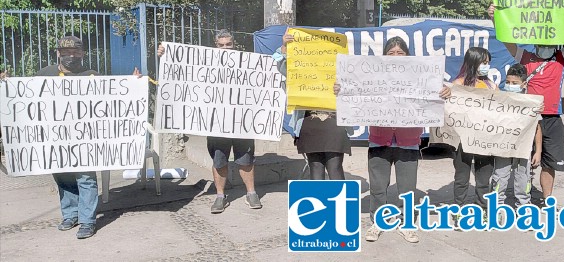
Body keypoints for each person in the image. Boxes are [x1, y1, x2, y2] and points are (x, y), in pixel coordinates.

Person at [338, 37, 451, 244]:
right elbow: (353, 90)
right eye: (391, 53)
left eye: (400, 53)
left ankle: (406, 224)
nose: (396, 57)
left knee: (407, 187)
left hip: (408, 140)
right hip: (379, 139)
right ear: (384, 56)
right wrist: (342, 90)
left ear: (408, 56)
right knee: (378, 186)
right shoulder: (371, 76)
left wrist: (445, 91)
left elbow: (437, 93)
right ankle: (377, 222)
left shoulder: (422, 76)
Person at [34, 36, 139, 239]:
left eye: (76, 52)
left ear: (83, 54)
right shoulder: (43, 75)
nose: (71, 56)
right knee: (63, 179)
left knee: (86, 179)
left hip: (85, 141)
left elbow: (113, 99)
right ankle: (70, 215)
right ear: (58, 53)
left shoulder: (92, 76)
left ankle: (87, 221)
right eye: (66, 52)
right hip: (56, 139)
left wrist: (134, 84)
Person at [488, 0, 564, 202]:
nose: (545, 45)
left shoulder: (562, 58)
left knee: (550, 164)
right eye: (541, 42)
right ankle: (522, 195)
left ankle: (547, 199)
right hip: (527, 118)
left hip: (552, 118)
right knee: (524, 161)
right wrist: (495, 17)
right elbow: (507, 39)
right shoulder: (525, 57)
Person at [157, 30, 262, 214]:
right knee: (219, 160)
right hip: (216, 123)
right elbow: (183, 72)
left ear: (234, 44)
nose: (225, 48)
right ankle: (220, 196)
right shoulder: (206, 63)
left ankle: (251, 193)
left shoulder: (247, 64)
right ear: (216, 45)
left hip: (241, 122)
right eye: (221, 45)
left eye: (228, 44)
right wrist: (167, 56)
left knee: (246, 160)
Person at [273, 32, 351, 180]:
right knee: (315, 167)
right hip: (308, 122)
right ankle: (319, 202)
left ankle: (340, 203)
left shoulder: (340, 69)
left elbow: (353, 89)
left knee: (335, 166)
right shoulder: (301, 68)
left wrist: (343, 88)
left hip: (334, 121)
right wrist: (284, 47)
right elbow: (282, 68)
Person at [449, 47, 498, 226]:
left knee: (484, 178)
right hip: (463, 140)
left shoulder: (491, 86)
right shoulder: (458, 84)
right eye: (484, 63)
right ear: (473, 62)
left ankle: (483, 210)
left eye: (488, 63)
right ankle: (459, 211)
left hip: (485, 140)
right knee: (462, 178)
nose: (487, 66)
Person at [491, 63, 543, 211]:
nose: (509, 85)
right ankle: (496, 210)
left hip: (524, 149)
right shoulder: (500, 100)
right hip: (503, 147)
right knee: (499, 178)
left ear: (524, 84)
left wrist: (538, 151)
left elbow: (537, 127)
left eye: (514, 83)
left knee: (523, 180)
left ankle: (524, 211)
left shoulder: (531, 102)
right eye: (507, 82)